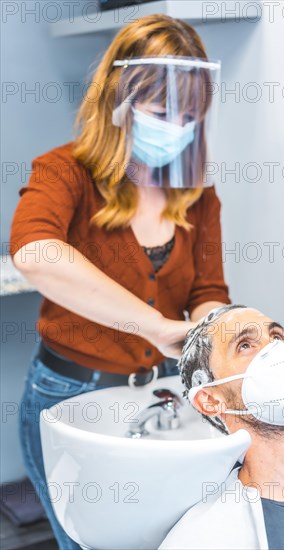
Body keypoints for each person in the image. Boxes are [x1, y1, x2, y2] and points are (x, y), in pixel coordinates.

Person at [9, 15, 231, 549]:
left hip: (166, 395)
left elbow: (208, 292)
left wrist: (210, 331)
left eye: (189, 117)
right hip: (72, 394)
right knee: (87, 541)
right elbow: (35, 253)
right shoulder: (64, 173)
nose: (175, 129)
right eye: (160, 113)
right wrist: (155, 325)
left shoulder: (195, 195)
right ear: (118, 99)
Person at [159, 305, 284, 550]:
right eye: (245, 345)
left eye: (276, 337)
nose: (277, 352)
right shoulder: (203, 539)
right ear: (210, 400)